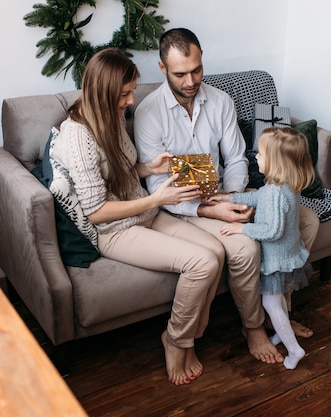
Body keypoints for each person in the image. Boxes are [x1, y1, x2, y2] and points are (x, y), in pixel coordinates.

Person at [134, 28, 318, 365]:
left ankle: (280, 308)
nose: (191, 80)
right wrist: (210, 211)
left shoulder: (220, 101)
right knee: (246, 247)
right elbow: (157, 186)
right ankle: (254, 327)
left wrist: (232, 198)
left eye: (197, 69)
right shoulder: (148, 113)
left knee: (307, 219)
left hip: (225, 191)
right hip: (182, 208)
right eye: (180, 73)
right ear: (162, 68)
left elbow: (235, 158)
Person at [48, 48, 225, 385]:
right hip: (115, 230)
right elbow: (97, 211)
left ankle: (192, 335)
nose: (130, 101)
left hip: (144, 211)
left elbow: (119, 171)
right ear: (104, 92)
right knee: (201, 262)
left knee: (216, 252)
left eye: (130, 92)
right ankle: (175, 340)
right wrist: (156, 198)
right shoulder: (78, 136)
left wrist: (148, 167)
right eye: (125, 93)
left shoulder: (109, 115)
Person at [208, 127, 314, 369]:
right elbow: (258, 197)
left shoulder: (277, 193)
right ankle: (280, 335)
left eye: (261, 154)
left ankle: (294, 350)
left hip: (276, 260)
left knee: (271, 305)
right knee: (277, 303)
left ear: (276, 162)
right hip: (289, 254)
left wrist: (241, 229)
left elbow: (271, 231)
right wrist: (230, 198)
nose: (256, 156)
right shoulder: (285, 185)